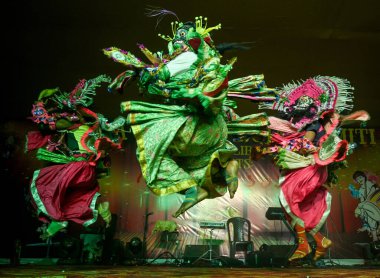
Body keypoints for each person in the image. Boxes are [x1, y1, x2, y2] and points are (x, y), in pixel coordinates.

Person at [104, 16, 272, 217]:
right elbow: (156, 87)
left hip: (195, 122)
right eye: (176, 36)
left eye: (181, 35)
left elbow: (161, 77)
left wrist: (143, 71)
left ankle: (192, 189)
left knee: (153, 148)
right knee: (183, 161)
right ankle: (226, 168)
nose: (176, 40)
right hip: (211, 129)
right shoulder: (194, 59)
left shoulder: (188, 57)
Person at [254, 76, 370, 261]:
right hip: (307, 169)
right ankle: (319, 240)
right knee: (295, 208)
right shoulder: (304, 124)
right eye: (298, 102)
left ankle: (303, 245)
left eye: (304, 103)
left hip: (308, 168)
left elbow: (304, 144)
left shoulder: (312, 124)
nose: (300, 105)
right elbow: (332, 124)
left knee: (289, 199)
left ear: (311, 107)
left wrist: (271, 148)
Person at [26, 75, 125, 238]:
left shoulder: (70, 123)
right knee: (73, 197)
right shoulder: (92, 126)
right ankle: (101, 207)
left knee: (44, 183)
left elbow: (42, 122)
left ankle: (57, 219)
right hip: (87, 171)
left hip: (78, 167)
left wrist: (41, 100)